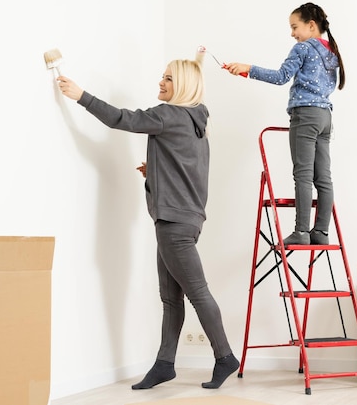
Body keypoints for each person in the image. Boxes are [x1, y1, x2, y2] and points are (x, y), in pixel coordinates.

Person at [57, 58, 239, 390]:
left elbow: (121, 119)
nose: (161, 82)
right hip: (186, 217)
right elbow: (188, 166)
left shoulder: (167, 115)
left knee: (196, 292)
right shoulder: (196, 121)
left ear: (181, 85)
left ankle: (224, 357)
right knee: (171, 297)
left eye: (168, 78)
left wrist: (80, 95)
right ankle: (165, 364)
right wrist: (152, 168)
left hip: (173, 221)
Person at [226, 2, 345, 246]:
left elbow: (281, 77)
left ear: (311, 25)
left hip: (306, 116)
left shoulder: (302, 48)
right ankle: (321, 232)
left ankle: (301, 231)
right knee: (323, 177)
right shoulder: (331, 51)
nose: (292, 33)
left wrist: (248, 69)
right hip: (325, 118)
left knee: (302, 174)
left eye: (295, 27)